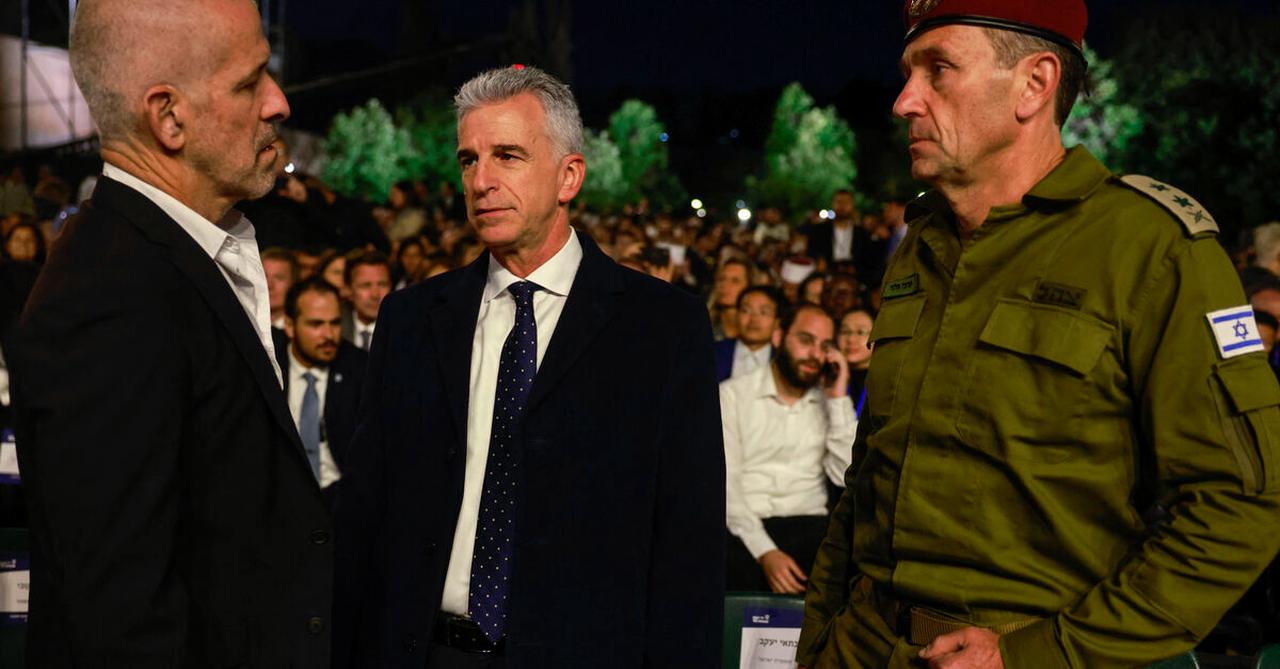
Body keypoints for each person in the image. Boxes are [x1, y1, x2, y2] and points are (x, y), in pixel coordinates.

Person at [798, 3, 1280, 669]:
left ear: (1034, 83)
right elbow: (866, 479)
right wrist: (820, 643)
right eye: (908, 73)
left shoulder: (1150, 248)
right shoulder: (922, 245)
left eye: (939, 70)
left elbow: (1240, 506)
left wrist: (1037, 653)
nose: (904, 101)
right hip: (864, 645)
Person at [333, 65, 724, 668]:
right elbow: (366, 511)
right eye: (468, 160)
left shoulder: (663, 328)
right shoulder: (411, 320)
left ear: (569, 176)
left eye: (507, 156)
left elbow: (688, 543)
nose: (481, 181)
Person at [10, 0, 333, 665]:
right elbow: (121, 619)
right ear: (169, 117)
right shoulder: (108, 299)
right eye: (249, 81)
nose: (278, 102)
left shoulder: (176, 256)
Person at [721, 304, 856, 594]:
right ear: (778, 336)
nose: (815, 354)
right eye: (806, 340)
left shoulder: (830, 403)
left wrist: (838, 398)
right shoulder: (731, 395)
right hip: (744, 528)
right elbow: (726, 486)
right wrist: (765, 552)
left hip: (810, 527)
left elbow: (847, 475)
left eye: (825, 346)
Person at [273, 277, 367, 510]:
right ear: (290, 326)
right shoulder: (269, 365)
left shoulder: (359, 369)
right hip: (279, 498)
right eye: (316, 324)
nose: (328, 335)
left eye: (335, 323)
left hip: (341, 501)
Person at [714, 285, 782, 382]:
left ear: (777, 322)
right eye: (746, 310)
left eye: (763, 312)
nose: (753, 319)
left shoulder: (782, 361)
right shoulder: (712, 352)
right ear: (736, 316)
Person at [342, 249, 392, 350]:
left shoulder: (405, 333)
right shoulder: (337, 330)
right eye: (365, 285)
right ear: (348, 290)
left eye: (382, 284)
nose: (375, 295)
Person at [835, 308, 873, 408]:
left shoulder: (888, 382)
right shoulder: (827, 379)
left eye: (861, 332)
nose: (851, 339)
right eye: (845, 331)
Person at [262, 246, 298, 328]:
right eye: (263, 276)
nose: (269, 285)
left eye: (279, 278)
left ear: (293, 284)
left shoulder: (298, 331)